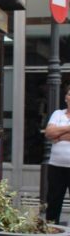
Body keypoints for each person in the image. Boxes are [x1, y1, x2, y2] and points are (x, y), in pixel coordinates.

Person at [44, 85, 70, 225]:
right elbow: (49, 133)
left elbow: (54, 133)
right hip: (56, 166)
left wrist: (59, 135)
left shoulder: (58, 119)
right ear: (66, 98)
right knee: (54, 200)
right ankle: (51, 230)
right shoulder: (58, 114)